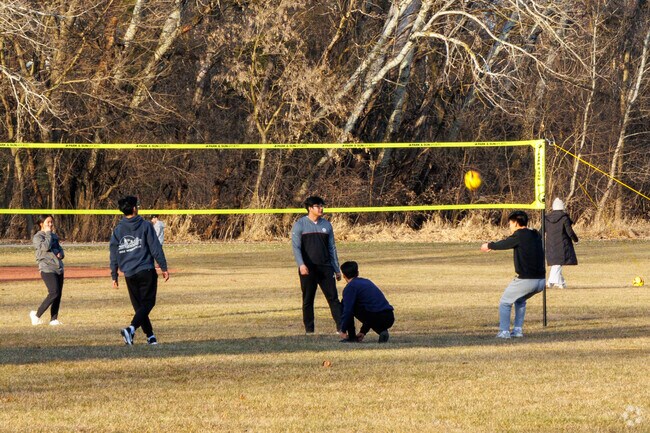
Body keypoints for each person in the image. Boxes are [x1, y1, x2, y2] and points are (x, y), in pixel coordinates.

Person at [110, 196, 170, 345]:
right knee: (148, 303)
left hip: (129, 273)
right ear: (135, 208)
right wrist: (163, 267)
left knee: (139, 307)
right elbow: (155, 248)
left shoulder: (117, 230)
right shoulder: (145, 225)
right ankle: (131, 329)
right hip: (146, 270)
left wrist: (114, 275)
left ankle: (150, 337)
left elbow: (114, 254)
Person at [481, 210, 545, 339]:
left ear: (516, 223)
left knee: (505, 302)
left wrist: (489, 245)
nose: (509, 226)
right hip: (541, 281)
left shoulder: (519, 235)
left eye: (510, 223)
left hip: (526, 280)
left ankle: (504, 332)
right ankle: (517, 330)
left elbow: (505, 243)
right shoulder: (535, 234)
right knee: (520, 300)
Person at [291, 196, 343, 334]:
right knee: (308, 300)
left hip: (325, 268)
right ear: (310, 208)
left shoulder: (326, 225)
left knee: (333, 298)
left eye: (322, 206)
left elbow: (332, 248)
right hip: (308, 269)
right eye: (317, 206)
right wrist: (301, 265)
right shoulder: (300, 225)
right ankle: (309, 330)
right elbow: (296, 247)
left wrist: (337, 269)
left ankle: (341, 328)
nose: (321, 208)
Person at [337, 261, 394, 343]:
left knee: (345, 304)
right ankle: (382, 331)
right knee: (370, 309)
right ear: (358, 273)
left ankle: (352, 337)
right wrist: (363, 332)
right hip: (389, 316)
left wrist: (343, 330)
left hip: (375, 317)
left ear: (344, 275)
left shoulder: (350, 287)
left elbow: (348, 311)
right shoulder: (367, 281)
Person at [30, 215, 65, 326]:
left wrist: (61, 254)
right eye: (48, 222)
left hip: (58, 267)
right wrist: (48, 233)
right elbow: (45, 247)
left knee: (58, 294)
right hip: (46, 268)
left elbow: (60, 249)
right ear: (41, 223)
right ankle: (36, 315)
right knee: (53, 292)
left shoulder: (54, 236)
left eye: (51, 222)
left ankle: (53, 319)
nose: (50, 224)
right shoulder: (37, 237)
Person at [545, 198, 578, 289]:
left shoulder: (546, 218)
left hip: (550, 244)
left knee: (556, 263)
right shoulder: (564, 218)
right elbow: (569, 231)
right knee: (558, 263)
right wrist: (575, 239)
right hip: (562, 244)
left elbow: (541, 231)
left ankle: (561, 283)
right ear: (562, 207)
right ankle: (550, 282)